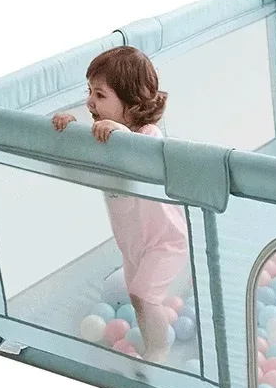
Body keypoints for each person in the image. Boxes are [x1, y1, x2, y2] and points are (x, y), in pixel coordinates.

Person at [52, 46, 188, 364]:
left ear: (133, 103)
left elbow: (142, 156)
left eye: (100, 95)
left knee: (143, 295)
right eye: (89, 92)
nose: (90, 102)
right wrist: (68, 127)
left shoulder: (149, 136)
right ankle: (153, 332)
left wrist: (121, 132)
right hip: (132, 244)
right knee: (138, 298)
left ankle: (159, 347)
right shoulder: (100, 138)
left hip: (166, 242)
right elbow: (75, 156)